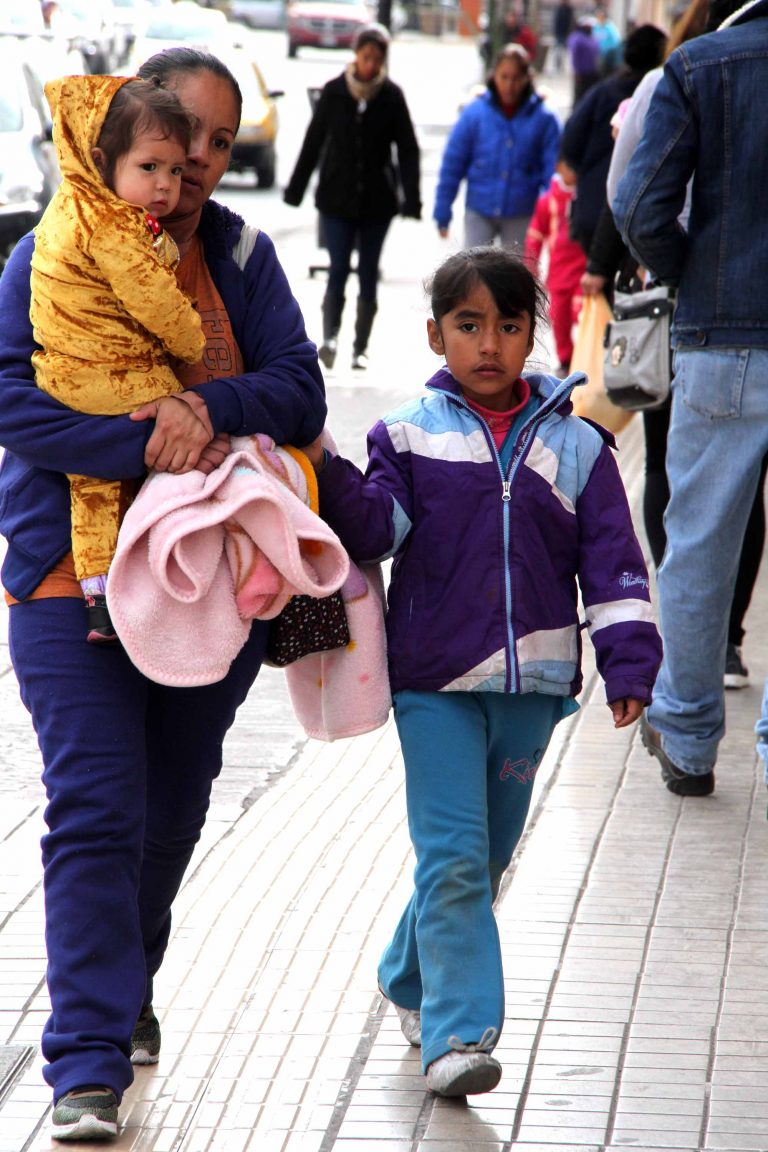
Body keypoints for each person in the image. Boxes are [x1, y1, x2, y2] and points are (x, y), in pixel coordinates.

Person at [0, 46, 326, 1142]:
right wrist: (147, 442)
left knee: (174, 803)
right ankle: (85, 1062)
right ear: (129, 129)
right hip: (64, 575)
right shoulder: (50, 249)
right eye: (179, 129)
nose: (193, 158)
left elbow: (297, 385)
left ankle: (123, 973)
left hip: (207, 586)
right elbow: (11, 395)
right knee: (96, 804)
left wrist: (211, 404)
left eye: (220, 141)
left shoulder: (239, 254)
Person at [302, 247, 662, 1098]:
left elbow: (614, 564)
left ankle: (405, 971)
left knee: (486, 854)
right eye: (469, 326)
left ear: (533, 332)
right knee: (456, 856)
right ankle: (460, 1035)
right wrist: (320, 461)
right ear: (436, 333)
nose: (490, 343)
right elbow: (377, 529)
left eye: (508, 325)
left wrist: (629, 663)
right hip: (432, 686)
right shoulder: (408, 435)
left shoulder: (579, 447)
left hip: (532, 691)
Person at [612, 0, 768, 797]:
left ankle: (688, 737)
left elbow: (637, 203)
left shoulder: (702, 64)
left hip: (724, 336)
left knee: (701, 542)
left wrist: (688, 270)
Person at [30, 74, 205, 644]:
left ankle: (100, 597)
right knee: (193, 458)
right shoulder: (112, 225)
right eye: (150, 168)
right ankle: (172, 574)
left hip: (63, 378)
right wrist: (190, 345)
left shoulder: (66, 206)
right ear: (103, 160)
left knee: (94, 491)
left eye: (176, 171)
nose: (165, 186)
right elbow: (155, 303)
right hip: (115, 376)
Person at [283, 23, 421, 372]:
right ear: (356, 55)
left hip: (377, 203)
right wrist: (296, 191)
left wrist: (412, 199)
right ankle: (330, 338)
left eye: (377, 59)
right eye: (365, 57)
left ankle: (360, 346)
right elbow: (313, 142)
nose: (370, 65)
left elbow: (407, 149)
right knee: (338, 268)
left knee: (369, 272)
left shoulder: (392, 96)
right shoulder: (334, 92)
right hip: (336, 199)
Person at [433, 45, 561, 253]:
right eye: (504, 77)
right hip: (480, 209)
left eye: (516, 78)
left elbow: (552, 170)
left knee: (518, 277)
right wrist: (443, 209)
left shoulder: (545, 118)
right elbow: (453, 163)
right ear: (494, 77)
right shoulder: (474, 114)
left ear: (527, 78)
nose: (510, 85)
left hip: (523, 211)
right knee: (475, 274)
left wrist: (551, 214)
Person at [560, 24, 667, 259]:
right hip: (640, 218)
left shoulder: (603, 91)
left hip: (592, 206)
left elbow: (570, 142)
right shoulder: (663, 96)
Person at [524, 154, 586, 373]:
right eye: (570, 167)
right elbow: (535, 236)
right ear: (559, 167)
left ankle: (585, 355)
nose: (574, 173)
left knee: (582, 313)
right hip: (559, 272)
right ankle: (566, 359)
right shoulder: (548, 201)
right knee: (559, 317)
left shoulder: (589, 196)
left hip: (583, 269)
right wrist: (532, 268)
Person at [567, 18, 601, 106]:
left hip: (592, 73)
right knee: (579, 96)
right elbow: (574, 55)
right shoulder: (577, 38)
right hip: (581, 73)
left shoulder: (591, 38)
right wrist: (576, 71)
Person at [592, 6, 623, 73]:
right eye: (598, 16)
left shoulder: (610, 27)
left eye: (601, 16)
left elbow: (616, 40)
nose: (599, 18)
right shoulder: (596, 27)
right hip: (599, 54)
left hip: (609, 55)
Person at [551, 0, 575, 72]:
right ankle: (558, 66)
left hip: (567, 33)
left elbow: (571, 21)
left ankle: (564, 66)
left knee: (565, 51)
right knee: (558, 51)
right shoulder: (559, 9)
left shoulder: (569, 9)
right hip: (559, 33)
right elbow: (556, 21)